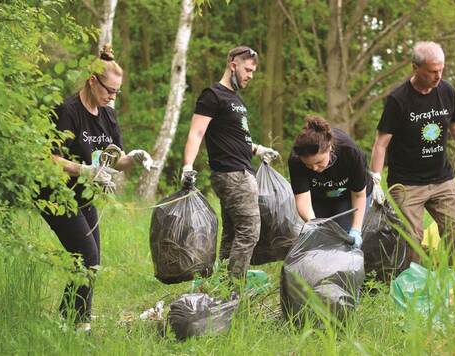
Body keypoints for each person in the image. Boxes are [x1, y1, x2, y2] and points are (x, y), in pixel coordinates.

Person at [40, 45, 153, 333]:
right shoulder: (67, 111)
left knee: (92, 261)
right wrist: (84, 170)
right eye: (109, 91)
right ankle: (81, 326)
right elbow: (47, 156)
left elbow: (116, 159)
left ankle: (67, 321)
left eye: (118, 92)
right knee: (86, 256)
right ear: (92, 80)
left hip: (84, 196)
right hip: (56, 193)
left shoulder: (108, 116)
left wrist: (136, 157)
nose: (113, 97)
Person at [370, 41, 455, 265]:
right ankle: (413, 286)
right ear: (415, 68)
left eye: (441, 70)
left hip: (442, 178)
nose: (438, 76)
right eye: (432, 71)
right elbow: (381, 143)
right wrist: (376, 179)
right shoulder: (398, 99)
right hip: (407, 183)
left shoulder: (447, 91)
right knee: (410, 239)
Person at [181, 46, 279, 280]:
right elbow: (197, 132)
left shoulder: (235, 99)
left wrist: (258, 149)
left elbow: (237, 138)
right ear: (233, 65)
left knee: (232, 233)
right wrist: (187, 165)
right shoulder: (212, 95)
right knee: (249, 233)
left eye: (253, 72)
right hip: (233, 175)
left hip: (242, 170)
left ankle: (220, 285)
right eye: (247, 70)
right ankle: (234, 289)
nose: (250, 76)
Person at [288, 115, 373, 248]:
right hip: (319, 197)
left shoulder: (349, 151)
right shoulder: (296, 160)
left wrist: (356, 230)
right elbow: (302, 200)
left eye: (318, 162)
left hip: (350, 196)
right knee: (321, 240)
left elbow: (358, 195)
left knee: (344, 238)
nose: (315, 169)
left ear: (329, 148)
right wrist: (315, 225)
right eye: (308, 165)